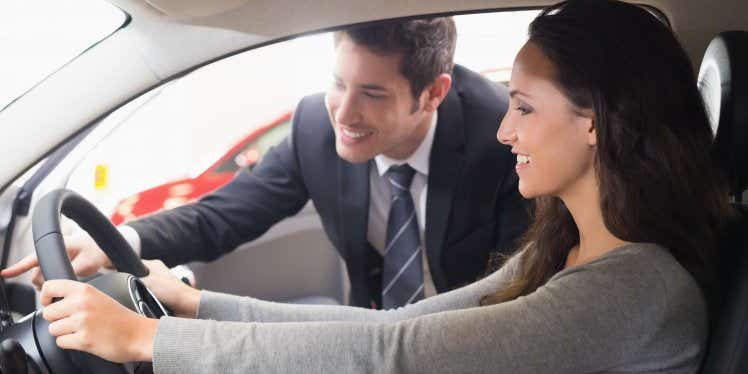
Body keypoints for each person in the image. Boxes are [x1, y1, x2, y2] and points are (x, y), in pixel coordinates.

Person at [32, 0, 735, 372]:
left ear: (596, 122)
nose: (504, 131)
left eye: (524, 107)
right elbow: (397, 328)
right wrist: (195, 307)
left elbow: (400, 357)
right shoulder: (568, 247)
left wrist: (149, 343)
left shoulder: (632, 289)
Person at [3, 17, 529, 310]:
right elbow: (224, 214)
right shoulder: (314, 127)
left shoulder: (501, 141)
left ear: (433, 94)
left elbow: (513, 294)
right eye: (338, 84)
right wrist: (115, 244)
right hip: (371, 324)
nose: (343, 113)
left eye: (371, 94)